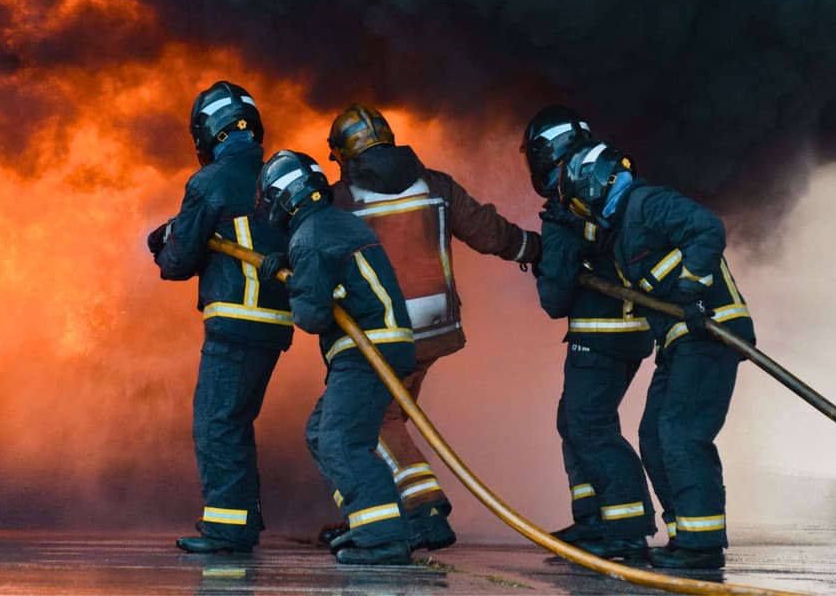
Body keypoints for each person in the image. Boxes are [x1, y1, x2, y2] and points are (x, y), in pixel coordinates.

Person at [321, 103, 541, 551]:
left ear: (343, 154)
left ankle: (425, 511)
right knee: (392, 417)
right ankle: (387, 515)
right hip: (433, 329)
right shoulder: (435, 184)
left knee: (369, 424)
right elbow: (487, 231)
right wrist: (534, 249)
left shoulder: (341, 200)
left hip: (380, 335)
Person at [558, 139, 755, 569]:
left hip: (712, 330)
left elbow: (708, 228)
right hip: (681, 340)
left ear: (593, 186)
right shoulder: (624, 229)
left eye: (578, 200)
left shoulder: (648, 204)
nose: (580, 210)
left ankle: (701, 548)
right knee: (654, 434)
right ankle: (686, 534)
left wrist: (692, 288)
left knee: (681, 432)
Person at [148, 81, 294, 554]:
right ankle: (243, 518)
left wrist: (165, 246)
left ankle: (229, 529)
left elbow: (178, 262)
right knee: (235, 421)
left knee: (215, 424)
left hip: (234, 321)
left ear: (206, 132)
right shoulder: (275, 173)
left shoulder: (209, 182)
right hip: (274, 324)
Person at [254, 149, 416, 565]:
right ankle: (366, 524)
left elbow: (311, 316)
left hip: (367, 351)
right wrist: (290, 265)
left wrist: (290, 280)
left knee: (342, 440)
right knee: (320, 434)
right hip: (377, 346)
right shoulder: (329, 224)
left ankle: (383, 536)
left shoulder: (309, 236)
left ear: (282, 198)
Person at [522, 106, 658, 560]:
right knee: (575, 420)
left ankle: (624, 525)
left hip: (599, 336)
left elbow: (554, 300)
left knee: (589, 425)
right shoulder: (604, 181)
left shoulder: (565, 204)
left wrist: (549, 264)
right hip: (632, 331)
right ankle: (594, 517)